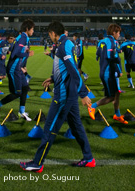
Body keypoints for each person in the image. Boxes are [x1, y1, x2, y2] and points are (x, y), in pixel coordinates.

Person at [20, 21, 95, 172]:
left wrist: (84, 94)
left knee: (50, 128)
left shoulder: (62, 46)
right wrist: (53, 78)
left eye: (49, 34)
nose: (50, 37)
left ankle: (37, 163)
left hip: (63, 96)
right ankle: (88, 158)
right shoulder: (65, 44)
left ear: (54, 33)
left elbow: (74, 71)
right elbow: (65, 68)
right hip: (69, 94)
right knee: (76, 127)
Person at [0, 20, 35, 121]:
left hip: (18, 68)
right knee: (17, 93)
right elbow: (14, 54)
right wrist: (27, 54)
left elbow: (17, 51)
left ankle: (21, 112)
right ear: (27, 29)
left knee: (25, 88)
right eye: (32, 29)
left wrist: (25, 51)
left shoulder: (23, 37)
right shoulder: (23, 38)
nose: (33, 31)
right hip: (13, 69)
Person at [87, 24, 127, 124]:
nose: (119, 34)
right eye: (118, 32)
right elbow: (111, 56)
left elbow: (99, 54)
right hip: (108, 73)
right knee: (111, 97)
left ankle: (117, 115)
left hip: (106, 71)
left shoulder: (103, 41)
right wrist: (119, 67)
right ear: (114, 33)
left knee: (117, 93)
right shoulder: (112, 41)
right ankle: (92, 107)